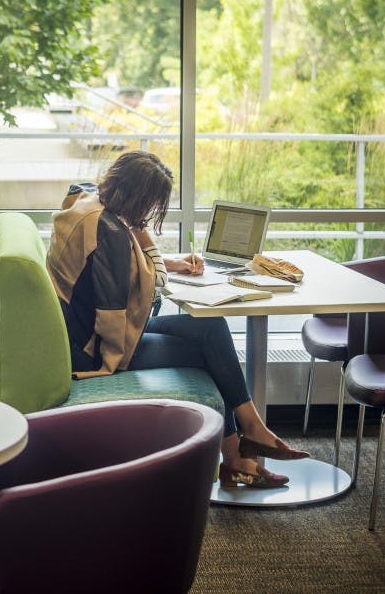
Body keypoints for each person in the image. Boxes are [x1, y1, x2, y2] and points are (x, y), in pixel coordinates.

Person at [46, 150, 308, 488]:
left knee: (210, 326)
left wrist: (172, 261)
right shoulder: (112, 231)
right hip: (95, 350)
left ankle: (245, 443)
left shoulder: (85, 199)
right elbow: (143, 292)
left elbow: (106, 266)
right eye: (151, 204)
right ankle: (242, 449)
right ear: (141, 199)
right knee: (207, 354)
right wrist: (146, 239)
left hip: (83, 332)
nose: (151, 212)